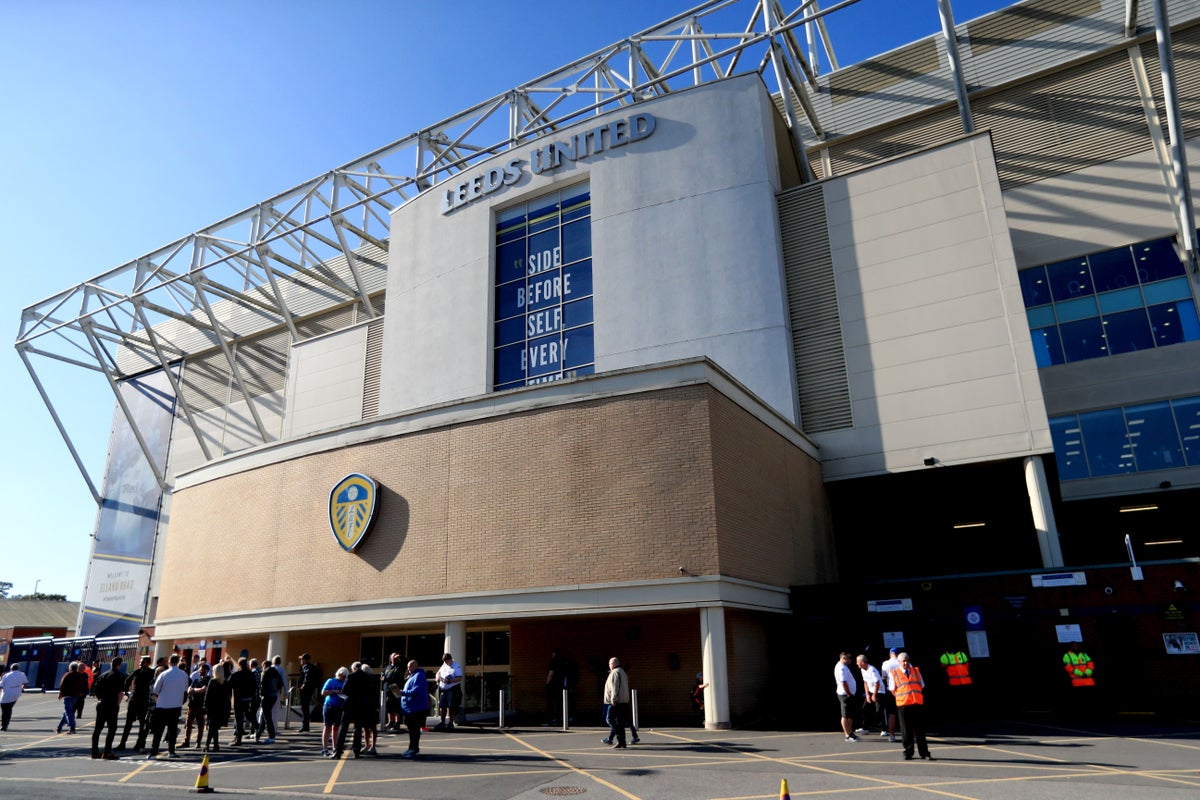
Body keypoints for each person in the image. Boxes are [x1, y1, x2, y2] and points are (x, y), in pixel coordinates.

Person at [887, 652, 932, 761]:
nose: (906, 663)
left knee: (920, 729)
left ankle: (924, 752)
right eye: (904, 661)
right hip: (904, 704)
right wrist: (901, 697)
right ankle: (908, 752)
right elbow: (892, 689)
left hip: (916, 703)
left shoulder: (916, 671)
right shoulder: (894, 673)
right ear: (899, 662)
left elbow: (922, 685)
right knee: (906, 730)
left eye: (907, 660)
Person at [147, 653, 190, 759]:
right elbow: (185, 689)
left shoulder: (164, 674)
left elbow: (156, 689)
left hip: (162, 705)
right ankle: (171, 751)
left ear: (170, 662)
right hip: (176, 705)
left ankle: (154, 752)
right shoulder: (184, 674)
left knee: (159, 730)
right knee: (172, 729)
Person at [91, 657, 126, 759]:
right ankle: (107, 751)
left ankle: (94, 751)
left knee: (98, 729)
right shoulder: (119, 675)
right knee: (112, 729)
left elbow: (95, 691)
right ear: (119, 664)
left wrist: (101, 699)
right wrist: (117, 704)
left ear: (111, 664)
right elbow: (120, 692)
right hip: (112, 704)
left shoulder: (103, 675)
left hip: (102, 703)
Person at [118, 656, 154, 752]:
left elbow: (155, 685)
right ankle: (122, 743)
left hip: (144, 700)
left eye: (143, 662)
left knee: (143, 723)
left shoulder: (151, 673)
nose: (140, 664)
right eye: (140, 662)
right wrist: (126, 693)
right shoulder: (137, 672)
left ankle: (139, 743)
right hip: (134, 699)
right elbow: (127, 681)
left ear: (148, 663)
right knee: (128, 723)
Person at [399, 659, 428, 758]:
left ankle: (413, 749)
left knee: (414, 730)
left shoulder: (419, 676)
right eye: (408, 667)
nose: (408, 669)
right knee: (412, 729)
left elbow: (416, 691)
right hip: (411, 708)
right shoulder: (412, 676)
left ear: (415, 666)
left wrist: (402, 692)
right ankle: (412, 748)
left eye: (410, 666)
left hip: (416, 708)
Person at [203, 660, 231, 752]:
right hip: (221, 708)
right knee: (214, 727)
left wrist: (205, 707)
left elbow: (207, 696)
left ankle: (209, 745)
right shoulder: (225, 683)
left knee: (212, 727)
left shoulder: (213, 681)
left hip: (212, 708)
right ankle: (214, 745)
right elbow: (228, 697)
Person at [602, 657, 631, 749]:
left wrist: (613, 698)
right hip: (624, 701)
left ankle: (620, 739)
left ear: (613, 664)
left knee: (609, 719)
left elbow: (615, 686)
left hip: (616, 701)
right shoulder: (623, 672)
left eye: (610, 664)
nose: (609, 666)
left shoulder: (615, 673)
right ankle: (622, 742)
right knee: (620, 722)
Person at [321, 666, 349, 758]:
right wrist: (334, 691)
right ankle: (325, 749)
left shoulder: (345, 683)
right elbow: (323, 692)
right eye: (342, 676)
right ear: (339, 674)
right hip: (329, 705)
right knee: (327, 726)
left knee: (336, 727)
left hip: (339, 707)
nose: (343, 678)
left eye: (345, 676)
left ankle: (335, 747)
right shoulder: (331, 681)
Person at [228, 657, 257, 745]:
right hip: (248, 698)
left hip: (238, 699)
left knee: (239, 718)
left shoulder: (236, 674)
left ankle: (238, 738)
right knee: (247, 715)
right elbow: (255, 686)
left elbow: (229, 685)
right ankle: (255, 725)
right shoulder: (251, 674)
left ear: (239, 664)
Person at [182, 661, 211, 747]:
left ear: (206, 670)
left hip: (200, 705)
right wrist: (194, 690)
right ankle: (186, 741)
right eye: (199, 669)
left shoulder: (208, 680)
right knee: (188, 724)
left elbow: (204, 689)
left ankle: (198, 742)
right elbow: (188, 690)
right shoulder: (196, 680)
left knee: (200, 725)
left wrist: (194, 690)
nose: (200, 671)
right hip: (192, 704)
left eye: (202, 669)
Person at [258, 655, 284, 744]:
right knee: (265, 715)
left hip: (267, 696)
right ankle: (258, 733)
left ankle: (271, 735)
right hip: (274, 696)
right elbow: (280, 683)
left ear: (265, 665)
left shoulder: (265, 672)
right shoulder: (276, 672)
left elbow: (262, 685)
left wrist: (261, 695)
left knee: (267, 716)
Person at [57, 661, 88, 734]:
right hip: (76, 695)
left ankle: (72, 727)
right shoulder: (81, 676)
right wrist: (82, 692)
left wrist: (61, 693)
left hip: (68, 695)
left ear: (70, 668)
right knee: (67, 711)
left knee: (68, 712)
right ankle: (59, 727)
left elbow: (62, 685)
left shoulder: (68, 675)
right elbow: (84, 685)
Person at [834, 652, 859, 742]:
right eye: (848, 658)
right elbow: (843, 682)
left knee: (850, 714)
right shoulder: (841, 668)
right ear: (844, 658)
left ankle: (850, 732)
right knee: (845, 715)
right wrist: (848, 693)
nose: (850, 660)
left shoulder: (844, 666)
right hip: (844, 694)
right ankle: (847, 735)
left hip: (849, 694)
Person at [435, 653, 463, 730]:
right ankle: (442, 722)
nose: (447, 663)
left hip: (453, 688)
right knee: (442, 706)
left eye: (447, 661)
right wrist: (437, 678)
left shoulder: (456, 666)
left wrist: (450, 681)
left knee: (452, 707)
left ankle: (451, 723)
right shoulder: (444, 664)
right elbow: (438, 672)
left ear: (450, 659)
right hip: (444, 689)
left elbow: (460, 678)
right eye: (445, 661)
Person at [1, 662, 29, 731]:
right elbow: (25, 684)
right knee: (8, 709)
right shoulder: (22, 674)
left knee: (5, 710)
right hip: (16, 695)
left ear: (11, 669)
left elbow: (1, 685)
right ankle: (5, 724)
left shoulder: (6, 675)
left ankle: (4, 725)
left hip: (6, 695)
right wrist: (21, 688)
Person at [297, 653, 321, 732]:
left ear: (304, 660)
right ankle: (305, 725)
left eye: (301, 659)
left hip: (306, 690)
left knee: (304, 707)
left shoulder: (306, 667)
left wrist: (303, 685)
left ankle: (305, 725)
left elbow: (307, 676)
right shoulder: (313, 667)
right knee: (305, 707)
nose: (300, 661)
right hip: (311, 689)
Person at [382, 653, 405, 732]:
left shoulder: (399, 666)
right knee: (389, 706)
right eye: (393, 657)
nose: (394, 658)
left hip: (396, 687)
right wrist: (383, 677)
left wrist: (399, 657)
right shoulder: (387, 667)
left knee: (397, 706)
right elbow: (383, 674)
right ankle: (390, 721)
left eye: (396, 657)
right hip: (388, 688)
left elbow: (405, 662)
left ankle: (397, 722)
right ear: (390, 658)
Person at [544, 649, 565, 725]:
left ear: (554, 654)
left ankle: (551, 719)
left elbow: (550, 674)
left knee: (550, 703)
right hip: (560, 685)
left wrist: (547, 683)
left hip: (552, 685)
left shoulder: (553, 662)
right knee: (559, 702)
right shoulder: (562, 662)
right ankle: (559, 718)